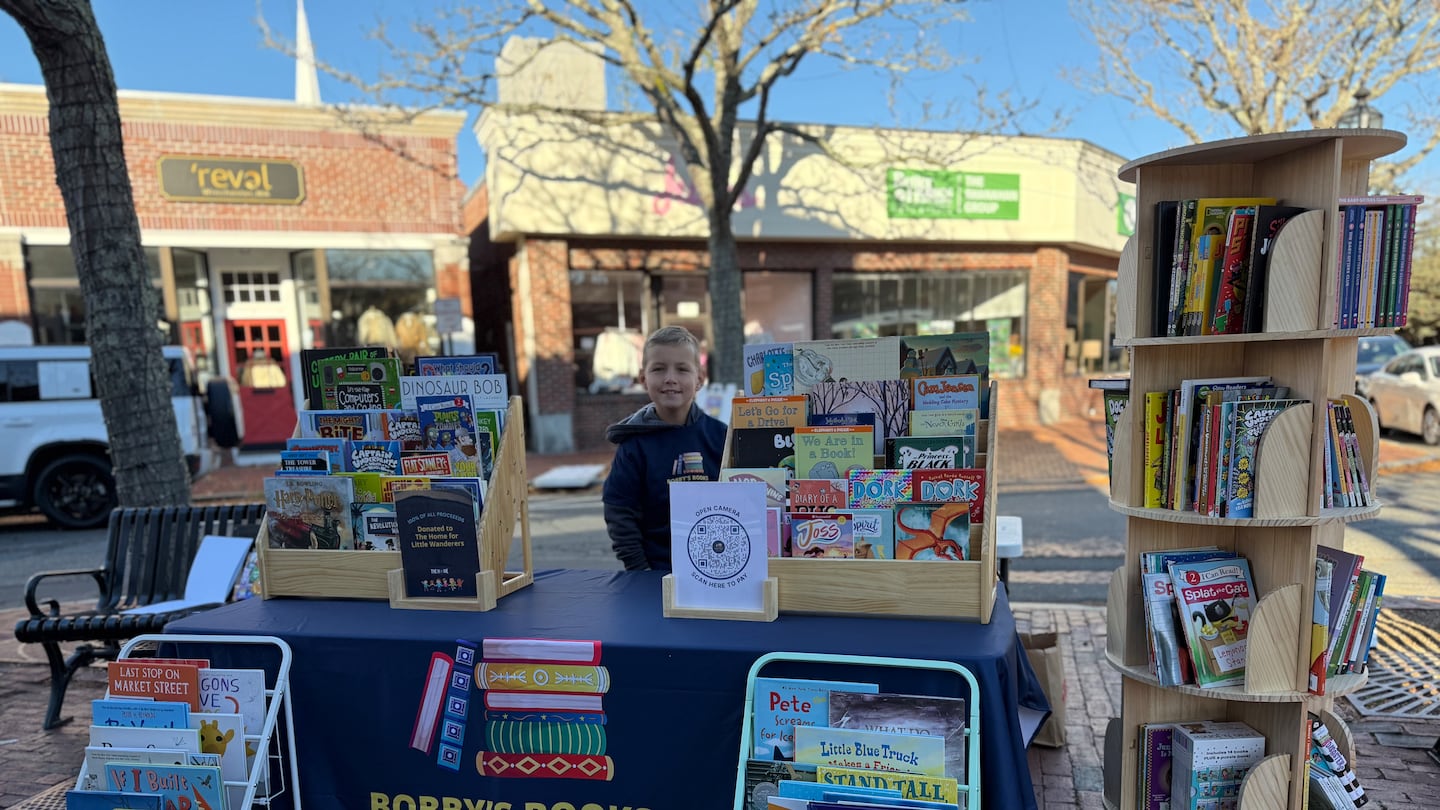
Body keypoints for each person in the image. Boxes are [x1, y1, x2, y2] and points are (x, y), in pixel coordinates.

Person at [602, 326, 727, 571]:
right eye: (659, 369)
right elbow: (619, 512)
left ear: (700, 379)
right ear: (643, 379)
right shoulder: (633, 446)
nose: (670, 378)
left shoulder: (722, 437)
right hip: (654, 573)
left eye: (682, 369)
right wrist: (640, 571)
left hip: (718, 570)